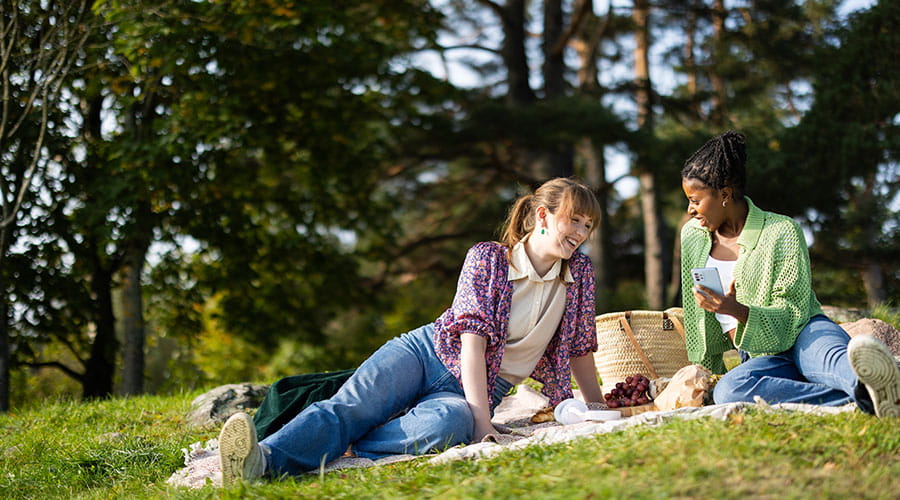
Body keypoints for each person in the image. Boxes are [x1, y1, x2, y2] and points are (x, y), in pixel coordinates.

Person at [217, 177, 605, 485]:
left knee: (448, 424)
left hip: (477, 387)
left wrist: (598, 409)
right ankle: (262, 460)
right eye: (574, 220)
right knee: (349, 407)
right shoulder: (488, 259)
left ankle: (357, 441)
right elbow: (473, 343)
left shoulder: (579, 274)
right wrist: (484, 423)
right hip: (424, 353)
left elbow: (579, 347)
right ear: (542, 215)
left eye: (588, 225)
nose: (581, 232)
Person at [679, 130, 900, 418]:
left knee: (830, 362)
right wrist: (708, 372)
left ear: (724, 194)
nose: (690, 209)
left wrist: (736, 309)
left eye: (695, 200)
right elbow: (698, 321)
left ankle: (869, 386)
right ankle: (872, 395)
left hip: (806, 331)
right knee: (730, 391)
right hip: (764, 355)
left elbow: (793, 312)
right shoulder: (693, 237)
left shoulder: (782, 231)